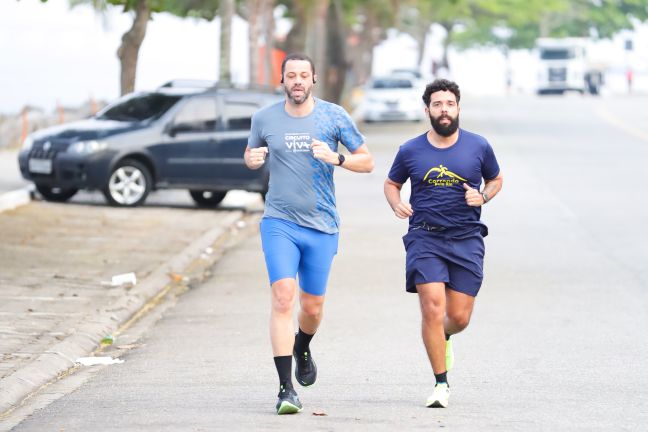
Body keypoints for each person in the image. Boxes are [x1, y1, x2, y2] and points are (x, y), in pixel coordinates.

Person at [244, 53, 374, 415]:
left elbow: (368, 160)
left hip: (321, 225)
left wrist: (338, 159)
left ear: (313, 79)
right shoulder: (264, 117)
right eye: (291, 75)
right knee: (283, 298)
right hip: (279, 222)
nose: (297, 81)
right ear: (282, 80)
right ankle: (286, 389)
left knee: (312, 308)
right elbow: (251, 152)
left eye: (304, 75)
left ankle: (303, 344)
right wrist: (251, 159)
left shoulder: (333, 116)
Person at [383, 79, 503, 408]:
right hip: (425, 236)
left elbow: (496, 179)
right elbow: (392, 183)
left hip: (466, 237)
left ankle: (445, 336)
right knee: (432, 306)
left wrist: (483, 195)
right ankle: (440, 383)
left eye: (449, 104)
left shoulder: (478, 146)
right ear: (428, 110)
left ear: (459, 108)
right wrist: (396, 203)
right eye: (437, 104)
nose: (444, 110)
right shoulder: (410, 150)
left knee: (459, 317)